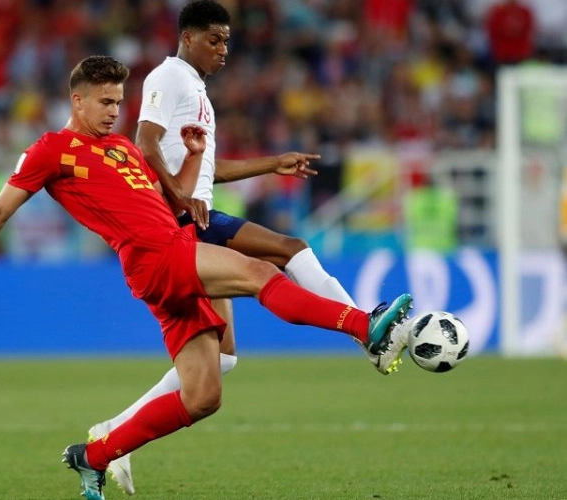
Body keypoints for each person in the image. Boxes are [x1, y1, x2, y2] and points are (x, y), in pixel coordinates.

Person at [0, 55, 412, 500]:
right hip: (152, 256)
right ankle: (364, 326)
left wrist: (191, 159)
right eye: (103, 102)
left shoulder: (122, 149)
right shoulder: (51, 151)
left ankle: (94, 454)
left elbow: (174, 201)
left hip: (172, 248)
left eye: (118, 102)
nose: (113, 112)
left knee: (204, 395)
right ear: (77, 101)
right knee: (261, 271)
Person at [88, 2, 409, 494]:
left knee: (223, 360)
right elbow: (145, 142)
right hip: (179, 221)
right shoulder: (168, 77)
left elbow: (207, 169)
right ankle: (364, 329)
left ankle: (113, 433)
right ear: (188, 37)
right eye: (214, 39)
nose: (223, 50)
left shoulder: (194, 88)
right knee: (287, 249)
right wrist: (179, 195)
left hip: (196, 212)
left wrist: (271, 164)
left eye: (227, 41)